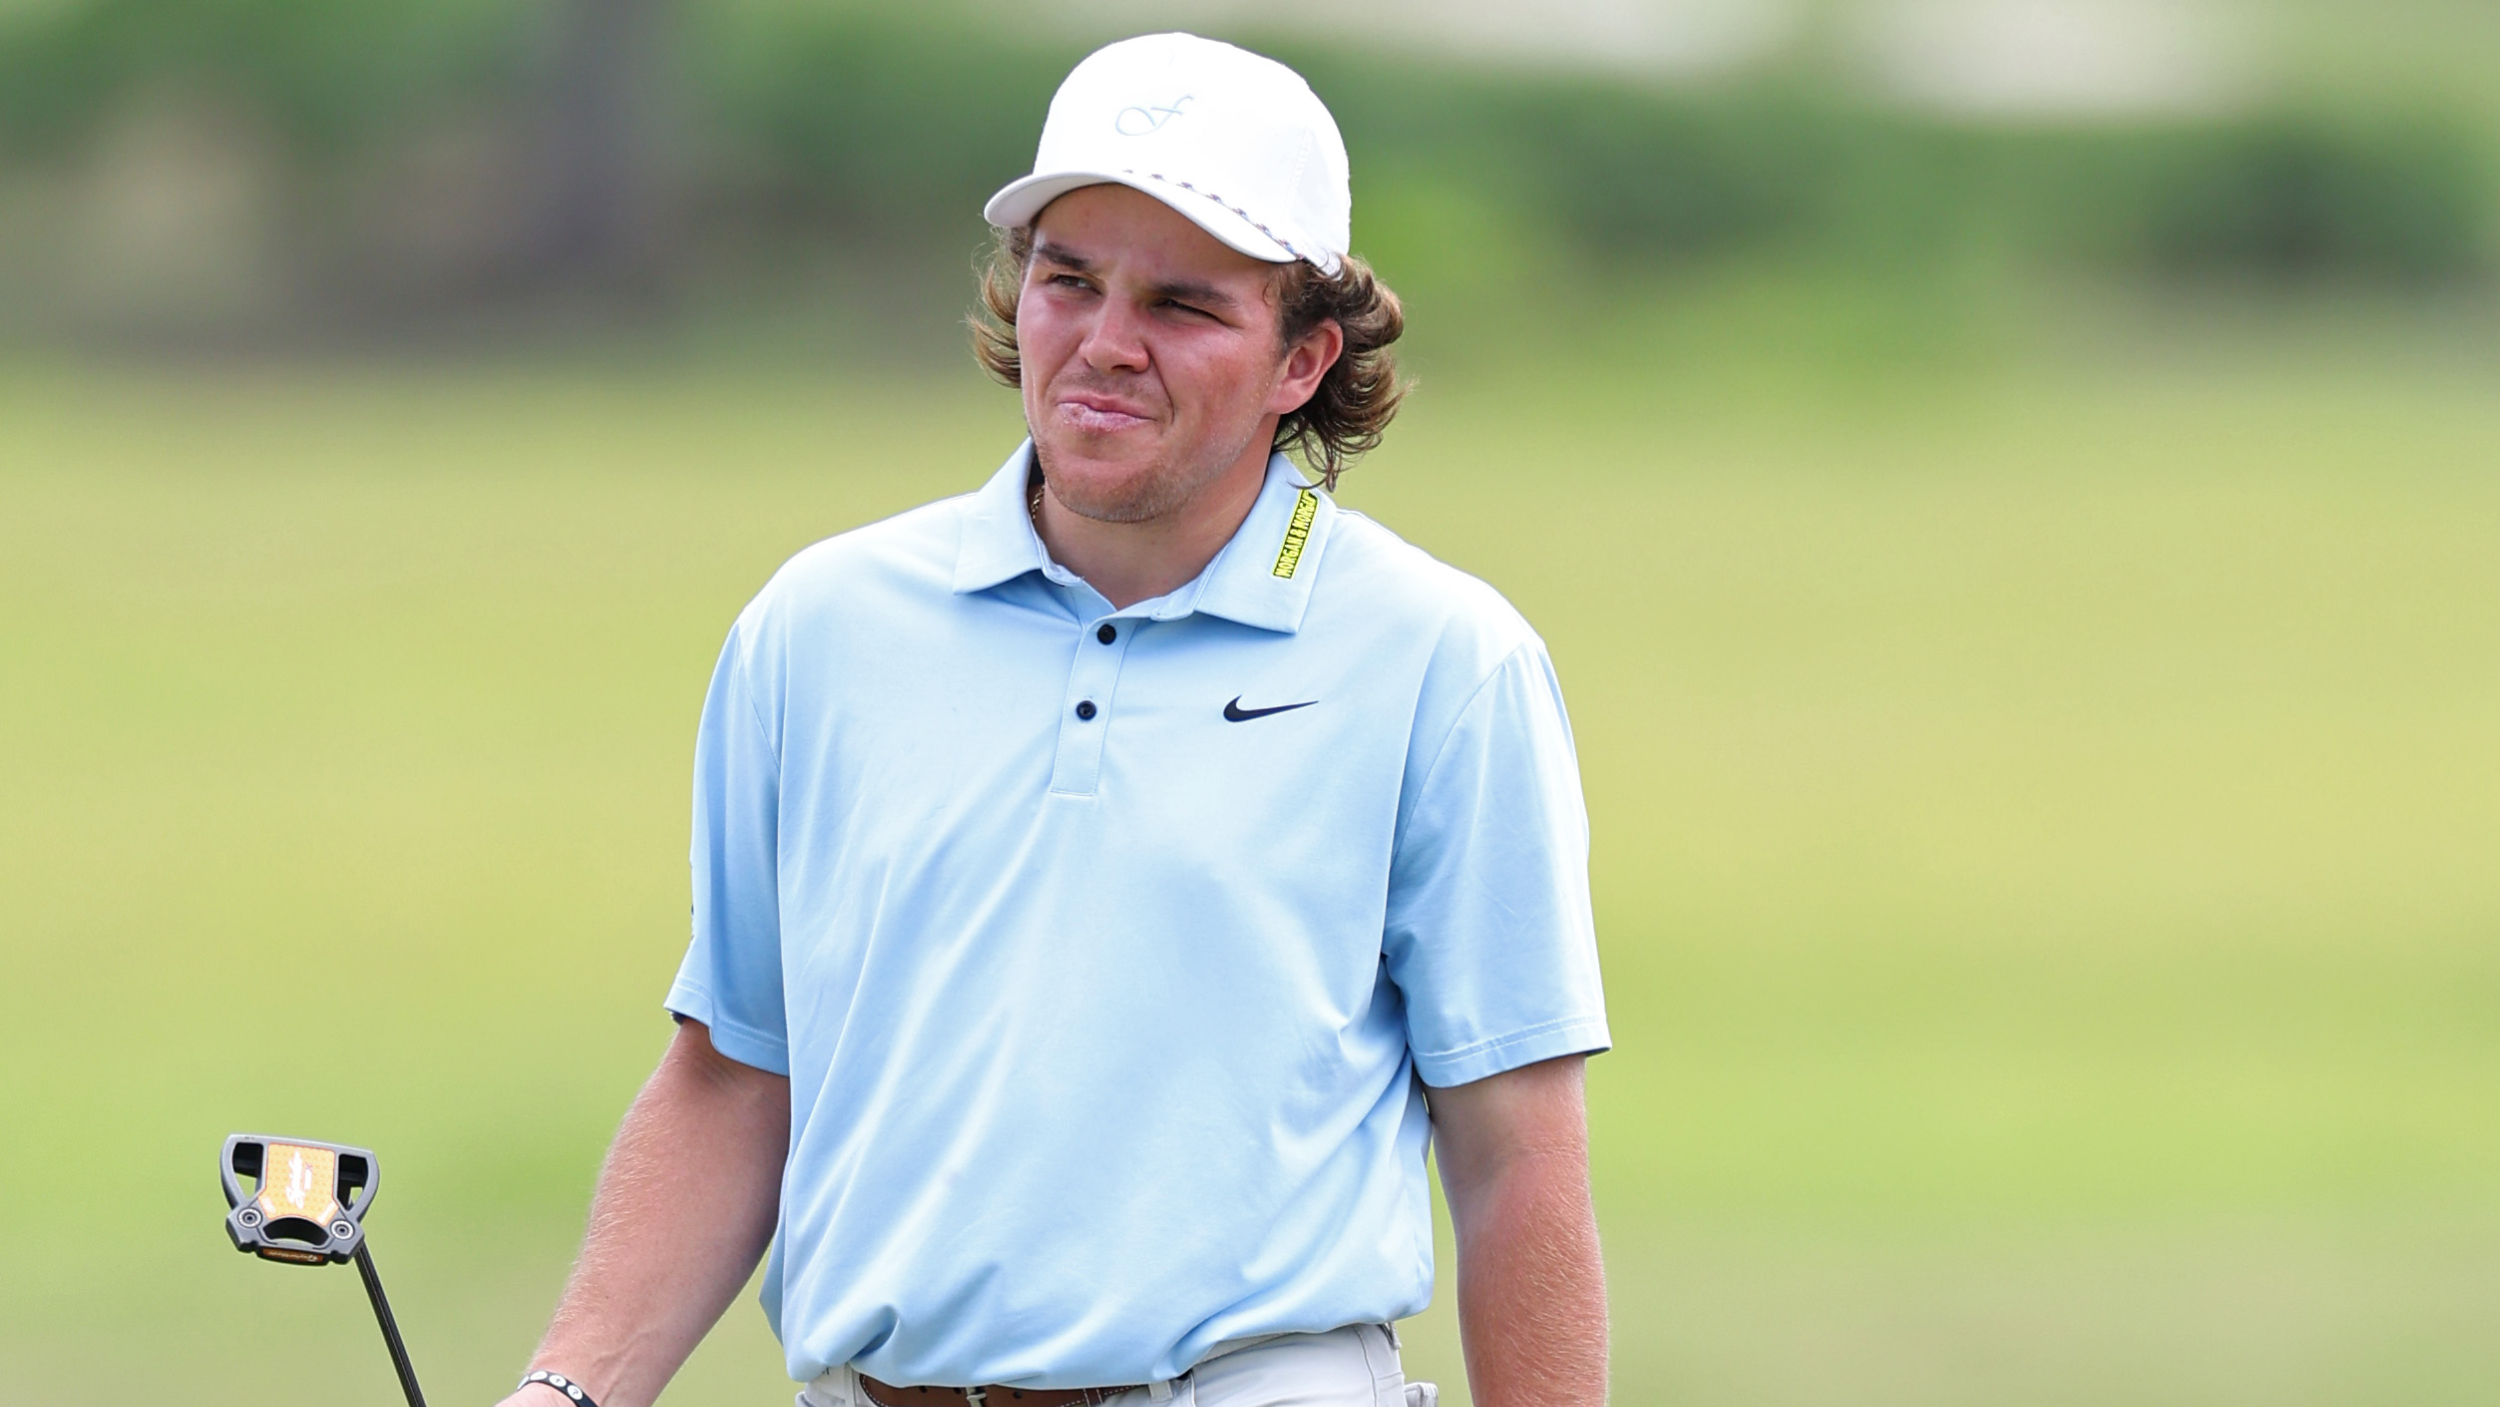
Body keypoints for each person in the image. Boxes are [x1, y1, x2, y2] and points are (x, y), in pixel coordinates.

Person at [492, 32, 1609, 1407]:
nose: (1105, 344)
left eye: (1184, 305)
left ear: (1303, 360)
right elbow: (734, 1075)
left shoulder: (1441, 660)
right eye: (1068, 282)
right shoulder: (823, 626)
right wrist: (564, 1393)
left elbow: (1514, 1158)